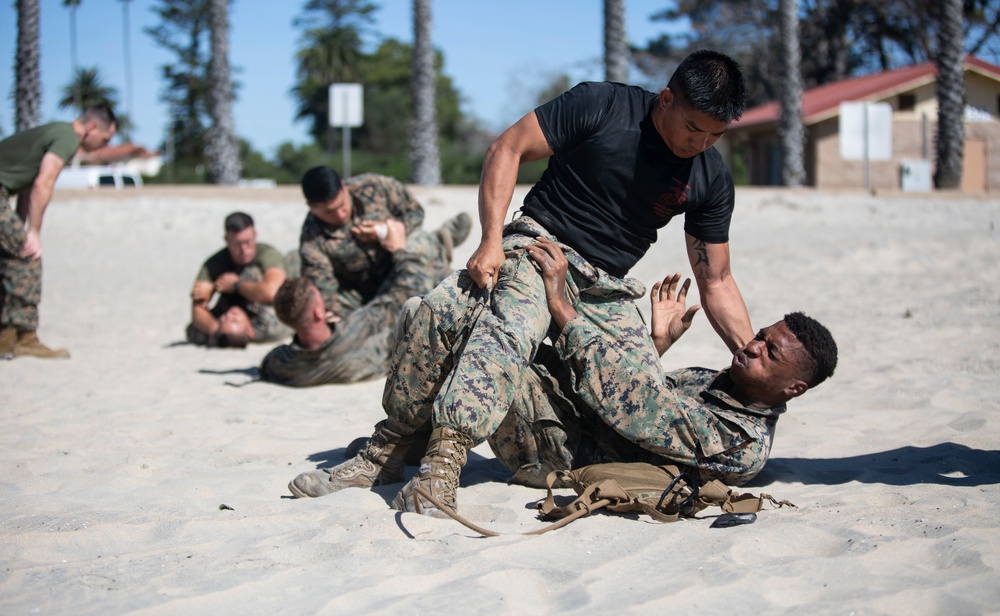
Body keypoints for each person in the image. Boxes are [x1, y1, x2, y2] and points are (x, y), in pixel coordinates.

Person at [297, 50, 756, 507]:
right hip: (540, 247)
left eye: (715, 135)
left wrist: (754, 360)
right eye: (694, 128)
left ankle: (438, 444)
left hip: (605, 287)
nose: (699, 143)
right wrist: (491, 241)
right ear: (667, 98)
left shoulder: (710, 178)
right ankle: (420, 462)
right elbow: (507, 147)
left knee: (641, 396)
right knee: (489, 325)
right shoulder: (603, 105)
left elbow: (716, 281)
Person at [287, 238, 838, 517]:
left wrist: (560, 304)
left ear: (794, 388)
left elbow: (637, 409)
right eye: (761, 334)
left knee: (496, 342)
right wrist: (654, 345)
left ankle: (424, 468)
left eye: (770, 352)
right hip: (569, 413)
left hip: (560, 452)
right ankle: (391, 447)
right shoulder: (715, 383)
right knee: (439, 311)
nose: (752, 345)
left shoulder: (741, 443)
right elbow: (634, 395)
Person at [260, 213, 464, 386]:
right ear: (318, 312)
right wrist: (400, 250)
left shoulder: (285, 364)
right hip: (406, 329)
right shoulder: (358, 328)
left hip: (348, 338)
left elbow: (269, 363)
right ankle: (439, 242)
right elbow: (406, 290)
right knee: (422, 265)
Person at [0, 104, 117, 359]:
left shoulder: (55, 131)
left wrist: (20, 227)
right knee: (28, 255)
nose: (102, 145)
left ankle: (12, 337)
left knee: (13, 255)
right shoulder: (66, 137)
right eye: (105, 139)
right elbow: (44, 181)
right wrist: (33, 233)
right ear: (92, 128)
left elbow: (27, 186)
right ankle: (18, 338)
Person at [298, 165, 470, 323]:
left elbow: (415, 212)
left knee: (418, 245)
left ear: (344, 187)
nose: (340, 214)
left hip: (401, 259)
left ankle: (439, 243)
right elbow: (323, 287)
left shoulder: (374, 187)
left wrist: (385, 232)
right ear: (311, 208)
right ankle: (440, 241)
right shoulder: (311, 240)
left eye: (342, 204)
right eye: (329, 212)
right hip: (364, 289)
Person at [187, 212, 290, 348]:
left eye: (248, 242)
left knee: (251, 273)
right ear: (226, 240)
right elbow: (197, 309)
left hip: (261, 308)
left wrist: (237, 285)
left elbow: (271, 293)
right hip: (231, 312)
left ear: (255, 235)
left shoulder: (267, 254)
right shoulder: (215, 263)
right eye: (237, 244)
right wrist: (220, 330)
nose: (244, 250)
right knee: (194, 332)